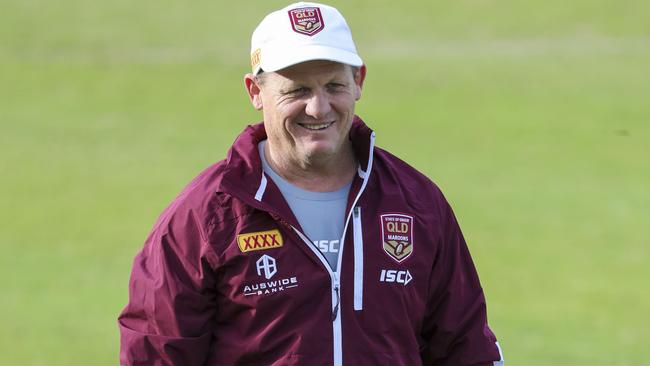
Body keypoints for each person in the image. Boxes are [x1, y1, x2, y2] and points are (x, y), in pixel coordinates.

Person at [118, 2, 504, 365]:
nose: (318, 108)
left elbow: (466, 347)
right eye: (297, 90)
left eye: (333, 86)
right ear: (256, 92)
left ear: (359, 81)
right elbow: (156, 353)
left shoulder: (417, 203)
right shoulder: (204, 217)